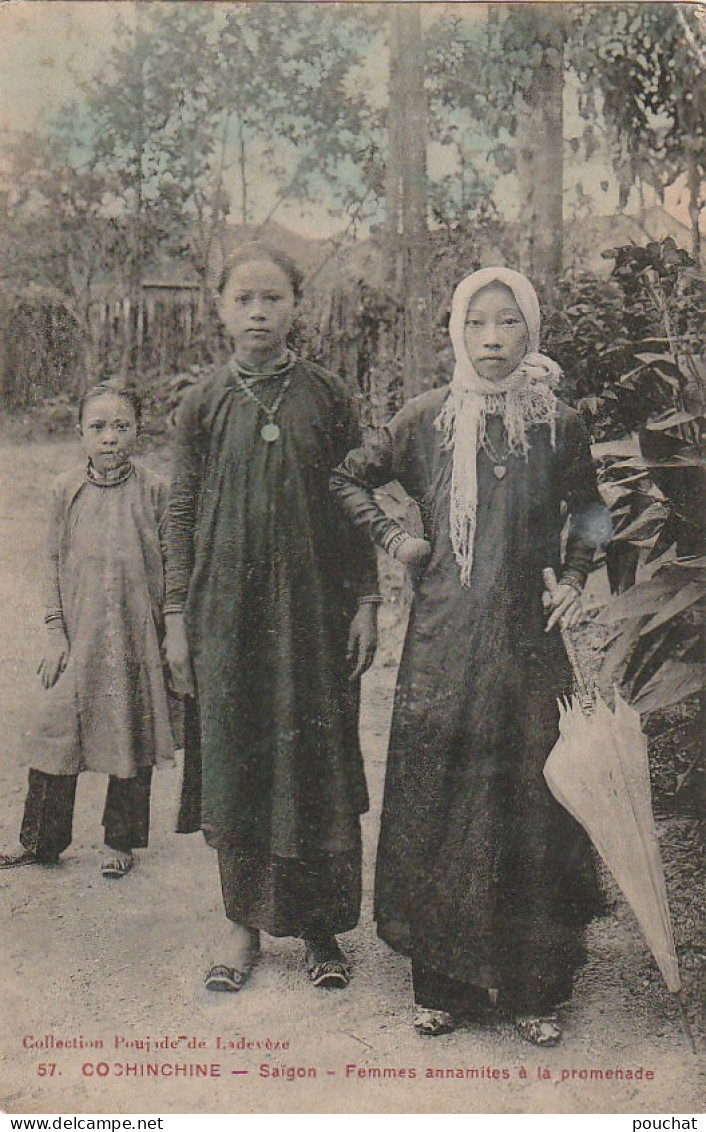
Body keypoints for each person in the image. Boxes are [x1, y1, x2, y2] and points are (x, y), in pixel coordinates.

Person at [330, 266, 611, 1044]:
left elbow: (590, 509)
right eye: (479, 323)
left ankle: (533, 989)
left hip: (528, 644)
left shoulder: (557, 422)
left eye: (509, 323)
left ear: (531, 331)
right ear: (457, 329)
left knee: (529, 800)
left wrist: (577, 576)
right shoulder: (424, 418)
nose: (493, 340)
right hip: (445, 642)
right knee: (441, 797)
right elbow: (348, 478)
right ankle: (441, 983)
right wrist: (398, 538)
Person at [164, 242, 379, 993]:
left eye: (273, 299)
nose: (258, 313)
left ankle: (321, 931)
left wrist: (369, 601)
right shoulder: (202, 402)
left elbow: (358, 508)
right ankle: (241, 927)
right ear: (220, 309)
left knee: (313, 762)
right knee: (238, 758)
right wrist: (174, 617)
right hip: (225, 615)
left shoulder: (328, 396)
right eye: (243, 300)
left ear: (297, 306)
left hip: (314, 613)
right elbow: (181, 510)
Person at [0, 381, 173, 879]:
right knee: (56, 731)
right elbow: (51, 560)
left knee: (130, 731)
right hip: (79, 634)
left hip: (135, 635)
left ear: (138, 432)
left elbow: (173, 562)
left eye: (122, 426)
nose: (110, 438)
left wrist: (167, 631)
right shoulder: (64, 489)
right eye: (97, 427)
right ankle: (40, 841)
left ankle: (120, 840)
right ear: (79, 432)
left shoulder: (156, 490)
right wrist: (56, 631)